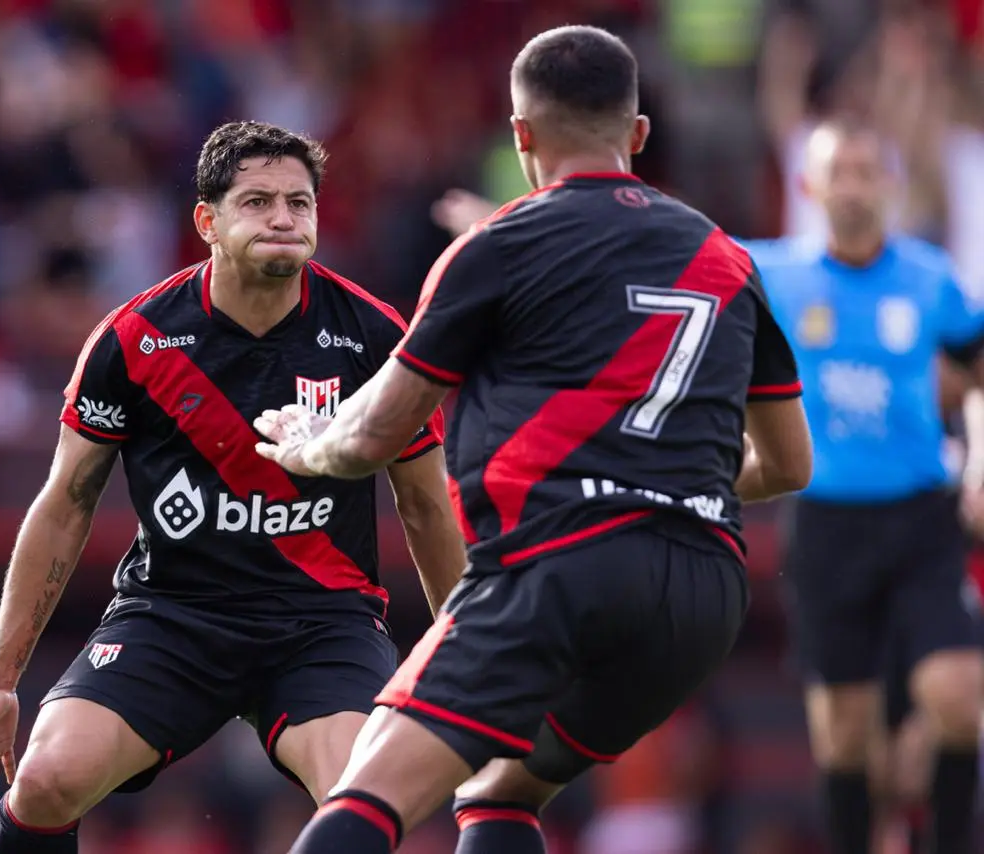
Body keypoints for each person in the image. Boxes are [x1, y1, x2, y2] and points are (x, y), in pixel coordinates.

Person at [252, 26, 812, 854]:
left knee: (367, 795)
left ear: (519, 135)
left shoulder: (495, 245)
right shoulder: (727, 257)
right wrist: (669, 479)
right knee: (501, 784)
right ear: (638, 134)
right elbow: (790, 464)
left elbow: (376, 434)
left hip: (561, 562)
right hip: (702, 593)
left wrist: (304, 444)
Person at [0, 120, 467, 853]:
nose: (284, 218)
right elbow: (65, 503)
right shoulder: (136, 338)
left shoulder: (376, 338)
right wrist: (2, 681)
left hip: (321, 622)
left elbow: (426, 503)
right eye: (257, 202)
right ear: (207, 221)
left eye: (300, 202)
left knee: (364, 800)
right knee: (44, 780)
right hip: (173, 616)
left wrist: (465, 656)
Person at [743, 120, 984, 854]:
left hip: (921, 518)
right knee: (844, 741)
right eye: (835, 172)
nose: (851, 186)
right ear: (809, 186)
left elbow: (976, 372)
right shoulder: (772, 273)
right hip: (825, 525)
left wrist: (980, 454)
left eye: (864, 170)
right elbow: (664, 261)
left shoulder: (930, 277)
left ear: (891, 184)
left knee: (957, 698)